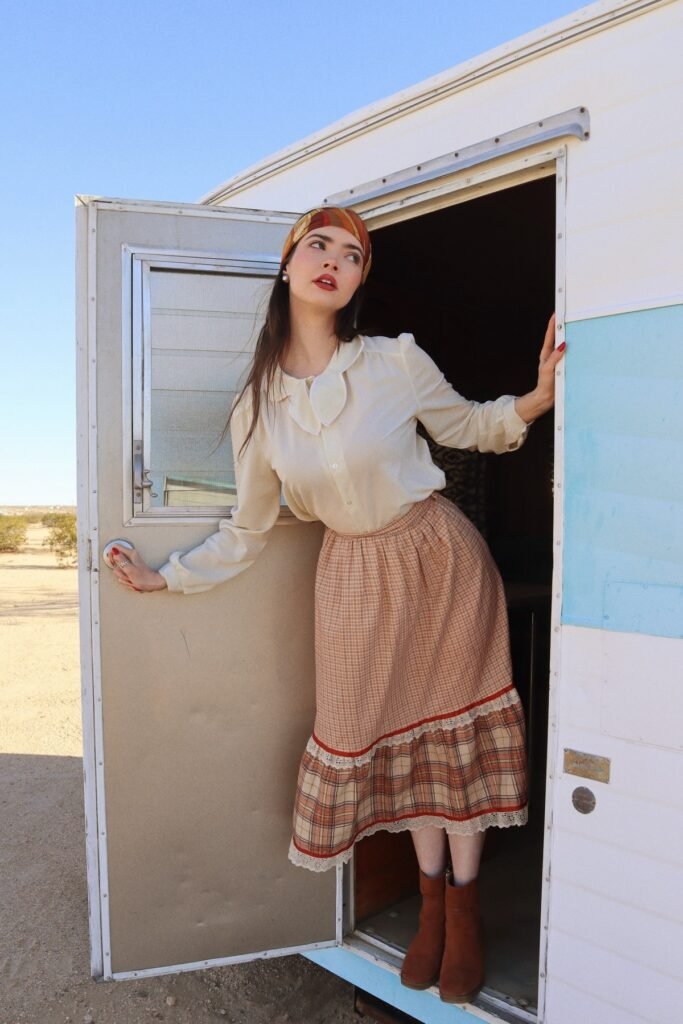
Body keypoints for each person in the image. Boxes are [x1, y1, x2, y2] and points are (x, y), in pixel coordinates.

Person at [112, 205, 565, 1005]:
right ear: (288, 265)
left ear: (357, 281)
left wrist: (534, 398)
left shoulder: (394, 361)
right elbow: (248, 530)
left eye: (351, 254)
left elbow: (467, 426)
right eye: (318, 245)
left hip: (440, 559)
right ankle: (429, 906)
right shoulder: (258, 408)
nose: (333, 260)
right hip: (353, 576)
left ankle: (461, 914)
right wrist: (168, 577)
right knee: (393, 740)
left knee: (452, 738)